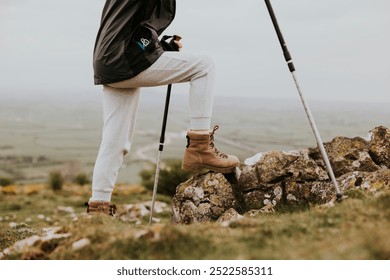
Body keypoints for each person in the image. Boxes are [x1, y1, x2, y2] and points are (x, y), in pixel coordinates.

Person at [85, 0, 240, 216]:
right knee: (204, 66)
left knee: (115, 141)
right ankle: (199, 146)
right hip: (123, 59)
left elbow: (129, 28)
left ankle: (98, 210)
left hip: (109, 61)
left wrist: (158, 47)